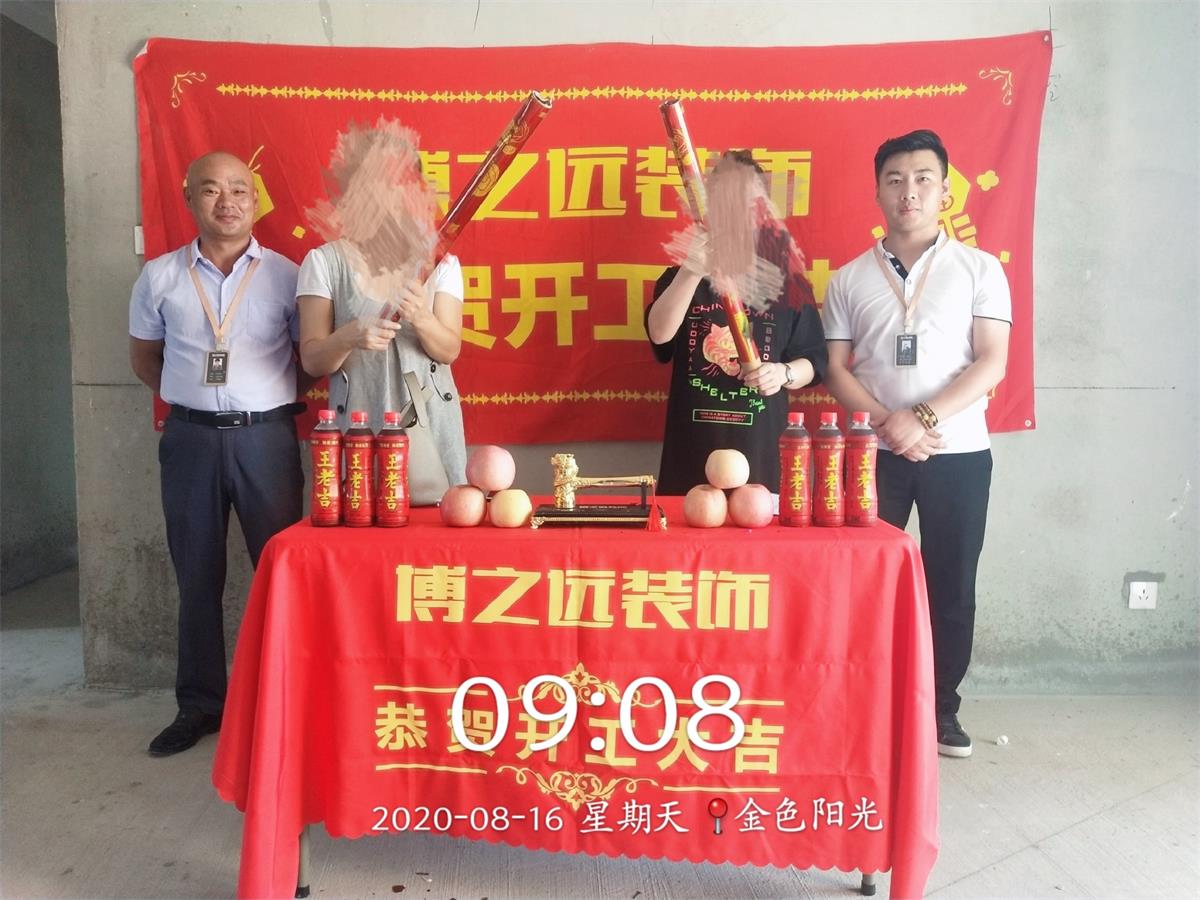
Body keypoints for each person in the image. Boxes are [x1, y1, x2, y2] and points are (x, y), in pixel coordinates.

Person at [822, 130, 1012, 758]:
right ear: (878, 192)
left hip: (959, 454)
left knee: (951, 584)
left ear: (945, 190)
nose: (910, 191)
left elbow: (992, 361)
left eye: (923, 178)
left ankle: (940, 710)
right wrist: (890, 425)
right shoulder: (848, 279)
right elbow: (836, 369)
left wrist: (923, 417)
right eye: (896, 179)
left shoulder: (980, 269)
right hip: (873, 454)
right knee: (862, 582)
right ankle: (861, 705)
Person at [129, 151, 305, 756]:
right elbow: (144, 359)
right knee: (196, 575)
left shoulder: (287, 276)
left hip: (266, 441)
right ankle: (200, 706)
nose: (225, 201)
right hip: (191, 442)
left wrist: (260, 405)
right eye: (210, 190)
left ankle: (285, 704)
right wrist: (195, 402)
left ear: (255, 201)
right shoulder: (160, 277)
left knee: (280, 576)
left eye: (238, 189)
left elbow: (308, 361)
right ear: (189, 198)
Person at [646, 150, 827, 495]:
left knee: (758, 528)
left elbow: (815, 361)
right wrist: (691, 271)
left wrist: (783, 373)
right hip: (692, 456)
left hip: (761, 456)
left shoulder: (788, 285)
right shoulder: (679, 278)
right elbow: (659, 335)